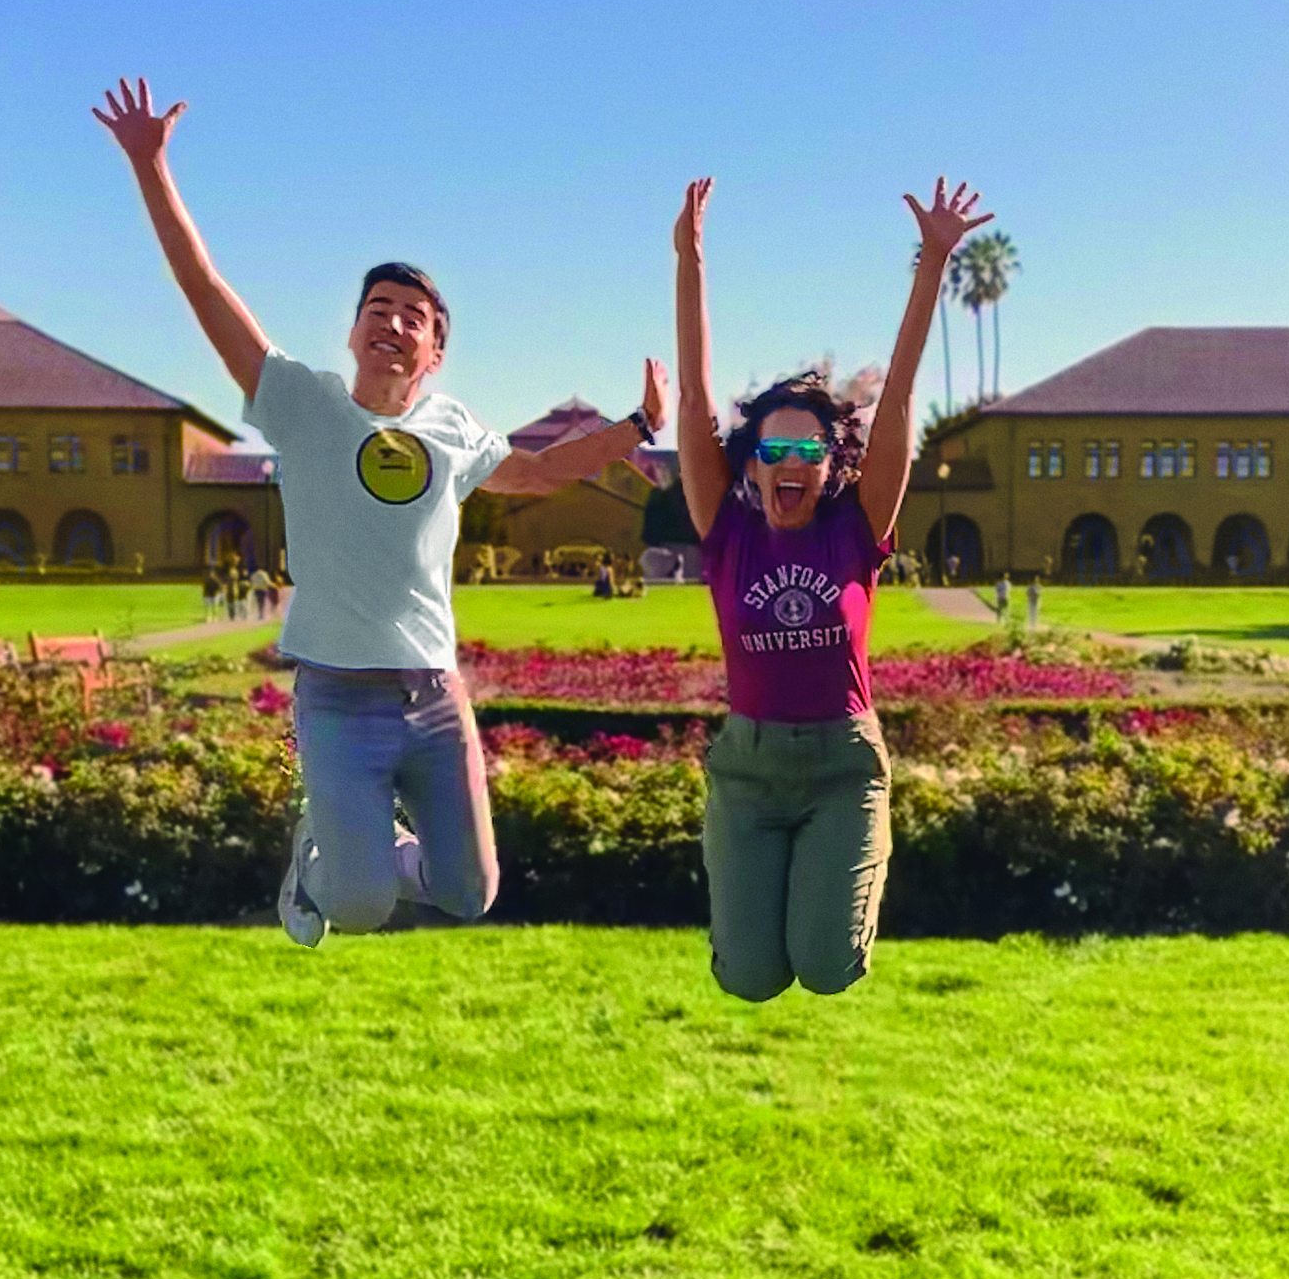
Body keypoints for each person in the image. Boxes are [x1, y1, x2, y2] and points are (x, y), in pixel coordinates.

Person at [96, 76, 667, 946]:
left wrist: (638, 426)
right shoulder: (301, 402)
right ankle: (323, 860)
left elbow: (545, 473)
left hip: (435, 696)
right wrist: (151, 168)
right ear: (355, 332)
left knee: (469, 892)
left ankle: (367, 850)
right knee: (357, 906)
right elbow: (203, 287)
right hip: (336, 701)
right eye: (379, 310)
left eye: (414, 318)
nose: (393, 325)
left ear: (435, 351)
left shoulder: (453, 428)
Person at [672, 173, 992, 1001]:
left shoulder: (855, 528)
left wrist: (932, 269)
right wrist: (689, 260)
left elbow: (896, 411)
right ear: (753, 466)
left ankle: (856, 870)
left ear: (830, 465)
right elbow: (699, 405)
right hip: (747, 769)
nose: (789, 467)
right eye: (773, 452)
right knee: (748, 979)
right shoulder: (728, 532)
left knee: (825, 969)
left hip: (844, 767)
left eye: (807, 453)